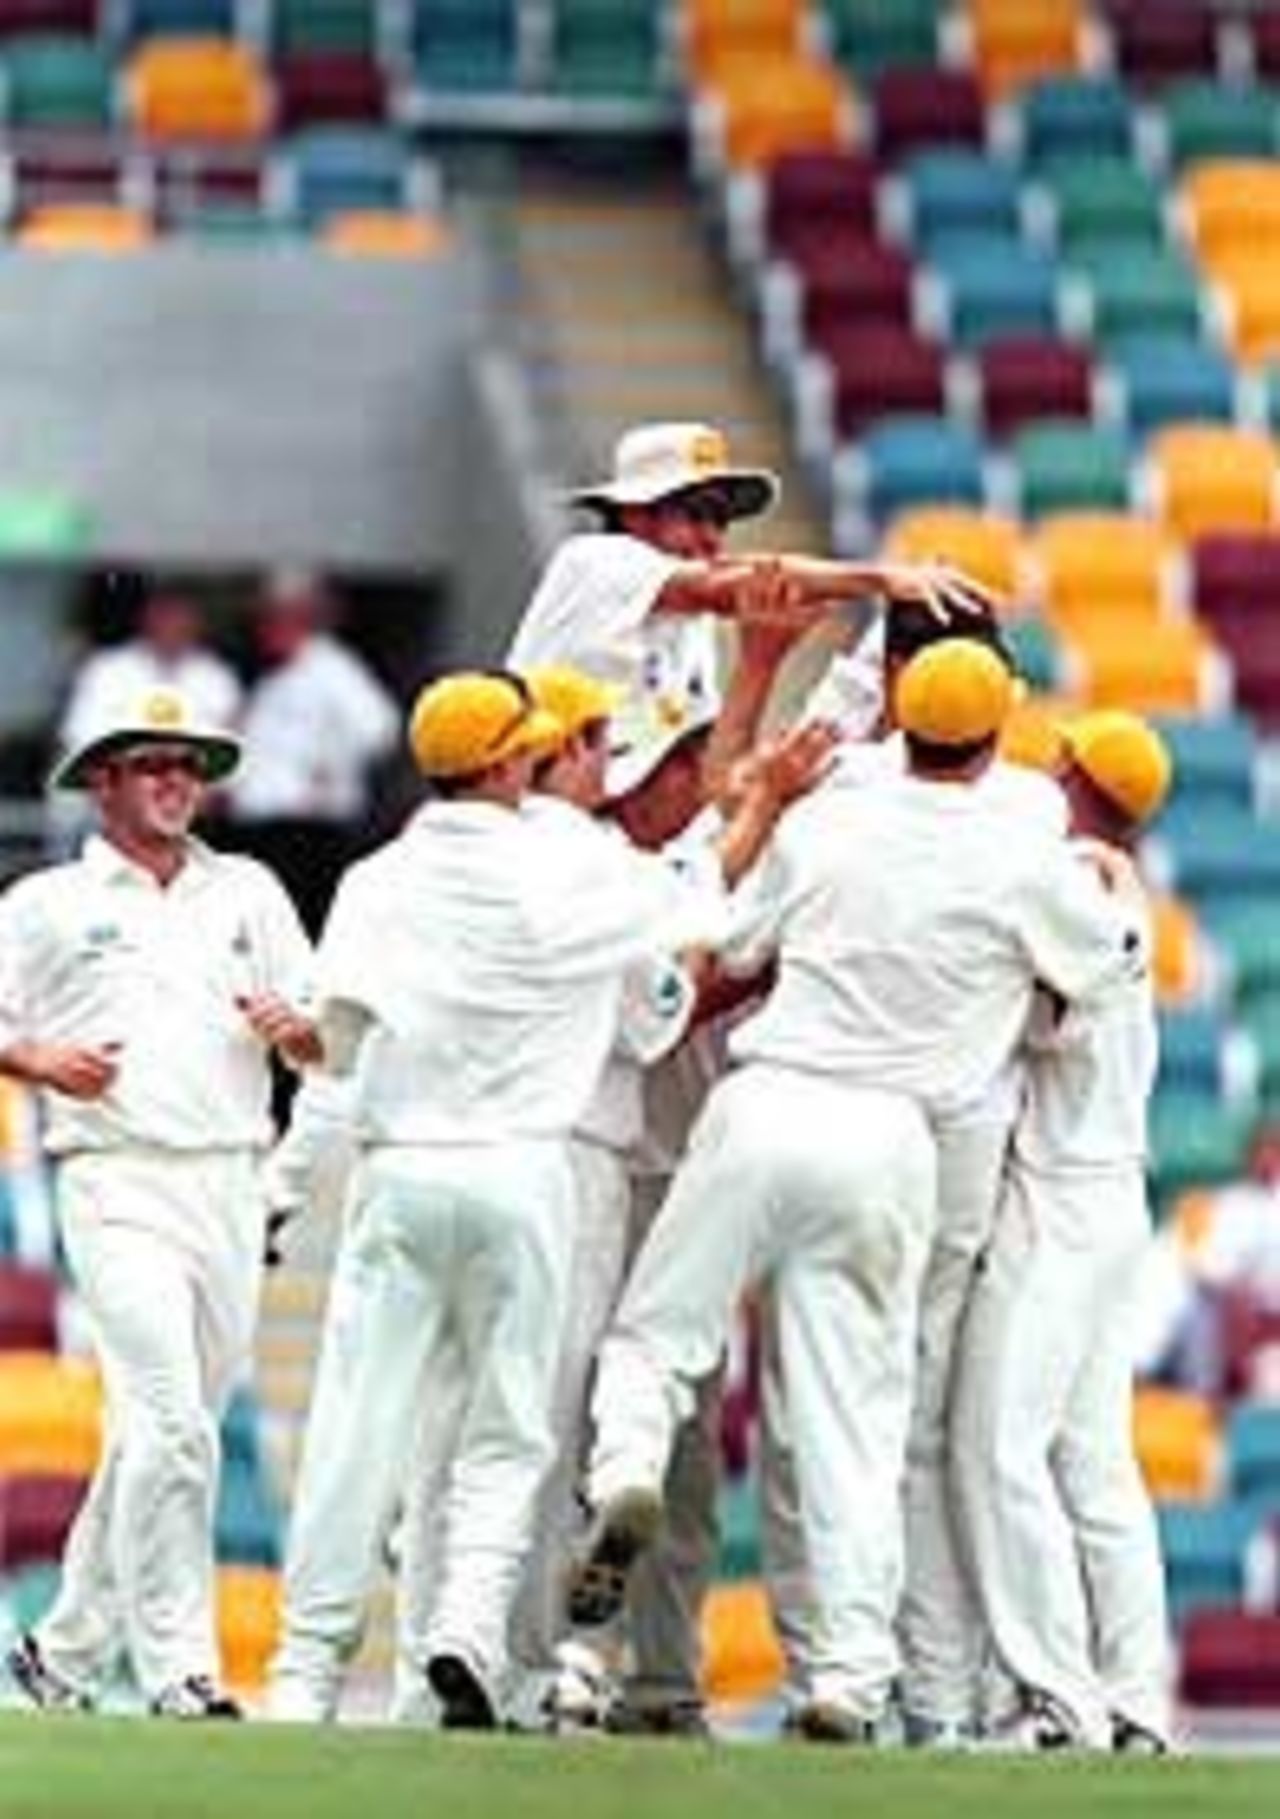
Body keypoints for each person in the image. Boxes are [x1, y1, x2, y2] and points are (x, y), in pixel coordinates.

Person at [570, 640, 1144, 1743]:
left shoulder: (829, 822)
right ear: (993, 737)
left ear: (904, 724)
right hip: (893, 1143)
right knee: (852, 1425)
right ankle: (843, 1674)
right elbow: (1104, 970)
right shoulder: (1026, 856)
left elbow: (732, 938)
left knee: (655, 1336)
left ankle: (626, 1467)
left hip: (767, 1096)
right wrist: (1111, 897)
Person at [267, 671, 732, 1729]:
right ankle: (467, 1632)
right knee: (509, 1430)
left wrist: (295, 1064)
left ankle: (303, 1673)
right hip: (526, 1172)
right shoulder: (579, 867)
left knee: (357, 1428)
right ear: (504, 762)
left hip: (402, 1170)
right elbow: (703, 916)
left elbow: (330, 1040)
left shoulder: (379, 877)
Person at [0, 687, 318, 1719]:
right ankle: (182, 1670)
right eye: (151, 763)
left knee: (162, 1430)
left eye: (189, 763)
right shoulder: (45, 904)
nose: (177, 780)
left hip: (229, 1178)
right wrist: (37, 1057)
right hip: (115, 1177)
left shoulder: (252, 890)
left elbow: (324, 1034)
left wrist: (297, 1031)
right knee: (175, 1424)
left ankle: (65, 1648)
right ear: (102, 779)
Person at [952, 710, 1175, 1752]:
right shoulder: (1117, 885)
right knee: (1093, 1461)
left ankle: (1058, 1701)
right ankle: (1134, 1698)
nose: (1044, 761)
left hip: (1061, 1192)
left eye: (1062, 757)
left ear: (1079, 777)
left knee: (1004, 1446)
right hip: (1106, 1193)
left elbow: (1051, 1014)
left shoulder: (1075, 882)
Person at [507, 419, 991, 752]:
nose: (712, 536)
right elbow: (731, 583)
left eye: (721, 519)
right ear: (634, 513)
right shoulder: (593, 561)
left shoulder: (693, 626)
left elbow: (705, 772)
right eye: (695, 513)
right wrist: (880, 578)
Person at [227, 572, 400, 935]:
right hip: (265, 828)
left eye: (279, 617)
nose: (268, 627)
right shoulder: (273, 678)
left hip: (310, 829)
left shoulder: (332, 668)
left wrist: (330, 768)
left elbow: (379, 728)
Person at [58, 591, 243, 761]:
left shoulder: (216, 674)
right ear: (146, 621)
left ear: (197, 626)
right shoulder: (106, 667)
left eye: (182, 621)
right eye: (165, 618)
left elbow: (230, 739)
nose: (172, 628)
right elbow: (77, 733)